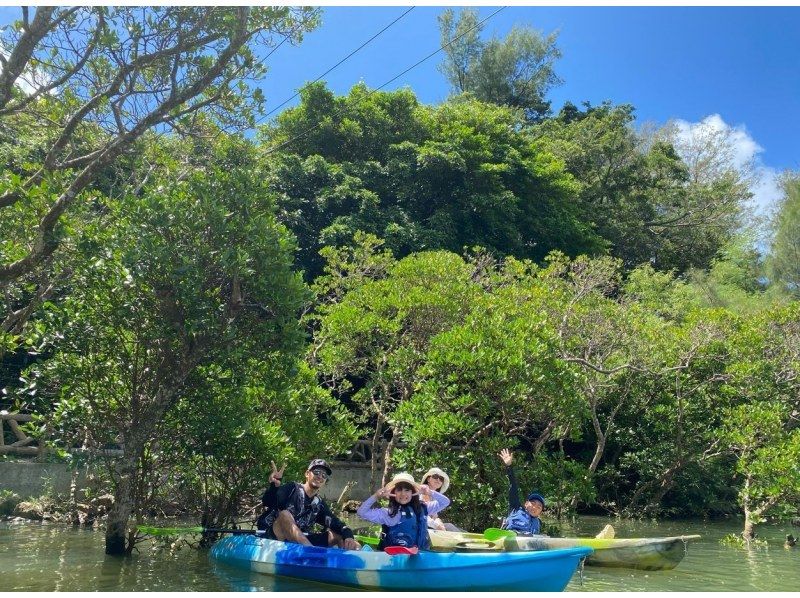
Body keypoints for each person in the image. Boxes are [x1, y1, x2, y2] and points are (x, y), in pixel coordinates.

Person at [256, 458, 360, 550]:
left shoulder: (319, 504)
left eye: (324, 475)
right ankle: (311, 551)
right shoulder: (292, 488)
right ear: (307, 474)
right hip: (273, 538)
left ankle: (349, 558)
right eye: (316, 472)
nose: (320, 477)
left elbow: (335, 523)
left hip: (299, 542)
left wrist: (348, 535)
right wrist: (274, 486)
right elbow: (268, 502)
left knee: (339, 535)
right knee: (285, 514)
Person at [356, 472, 450, 550]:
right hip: (393, 558)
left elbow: (445, 502)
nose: (403, 494)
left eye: (407, 490)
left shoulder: (424, 507)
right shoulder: (387, 513)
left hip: (421, 554)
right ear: (394, 493)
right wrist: (376, 496)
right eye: (399, 490)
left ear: (412, 492)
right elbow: (361, 512)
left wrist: (430, 492)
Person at [498, 448, 544, 535]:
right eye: (533, 503)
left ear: (540, 512)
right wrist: (509, 466)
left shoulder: (537, 522)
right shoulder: (516, 508)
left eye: (539, 507)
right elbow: (513, 487)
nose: (535, 508)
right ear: (526, 504)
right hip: (511, 541)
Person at [420, 467, 463, 532]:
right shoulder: (422, 493)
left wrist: (438, 520)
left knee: (458, 530)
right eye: (435, 476)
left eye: (441, 479)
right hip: (422, 526)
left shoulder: (435, 497)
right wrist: (437, 525)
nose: (438, 480)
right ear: (428, 479)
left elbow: (446, 502)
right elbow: (421, 514)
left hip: (431, 526)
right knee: (449, 526)